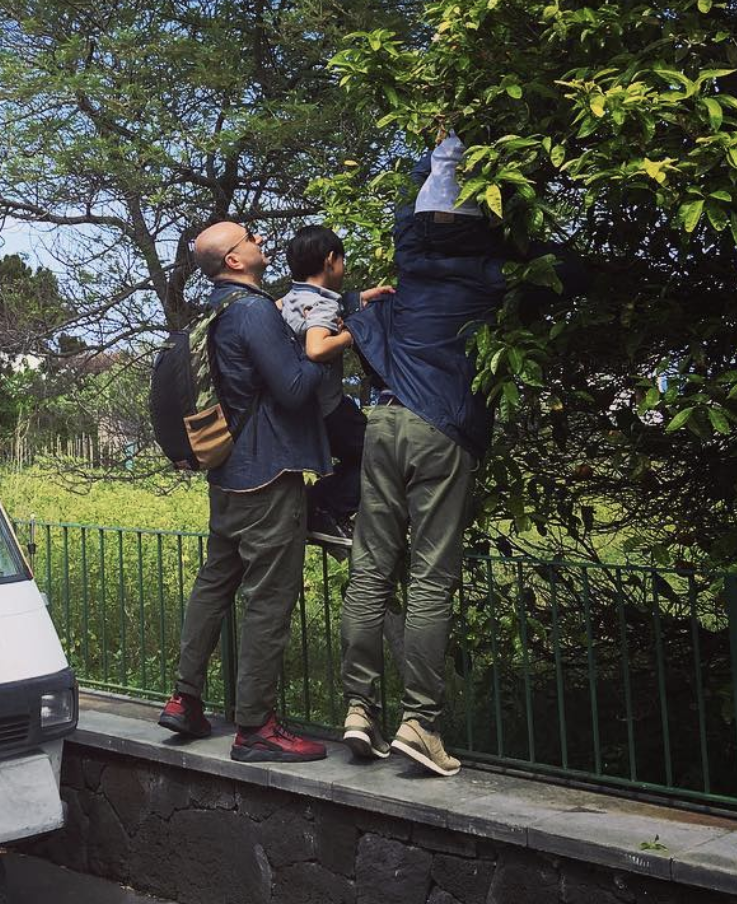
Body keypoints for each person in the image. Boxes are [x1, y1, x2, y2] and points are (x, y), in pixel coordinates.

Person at [339, 134, 588, 775]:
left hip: (383, 419)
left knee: (369, 570)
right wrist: (516, 206)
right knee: (429, 577)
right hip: (442, 428)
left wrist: (440, 152)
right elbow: (572, 269)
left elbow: (407, 201)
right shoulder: (494, 271)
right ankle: (420, 723)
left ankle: (358, 710)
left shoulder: (411, 254)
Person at [156, 220, 331, 762]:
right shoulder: (254, 311)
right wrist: (335, 340)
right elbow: (297, 389)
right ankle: (256, 727)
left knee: (215, 583)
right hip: (269, 472)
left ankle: (185, 700)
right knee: (269, 600)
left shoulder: (217, 312)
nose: (260, 240)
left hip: (228, 471)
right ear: (234, 260)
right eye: (250, 238)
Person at [278, 225, 392, 553]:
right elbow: (316, 348)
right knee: (378, 457)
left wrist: (361, 298)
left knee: (359, 455)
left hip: (303, 406)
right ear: (331, 260)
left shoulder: (292, 298)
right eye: (342, 260)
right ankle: (325, 508)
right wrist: (351, 334)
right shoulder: (324, 306)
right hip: (328, 407)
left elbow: (311, 313)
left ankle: (318, 504)